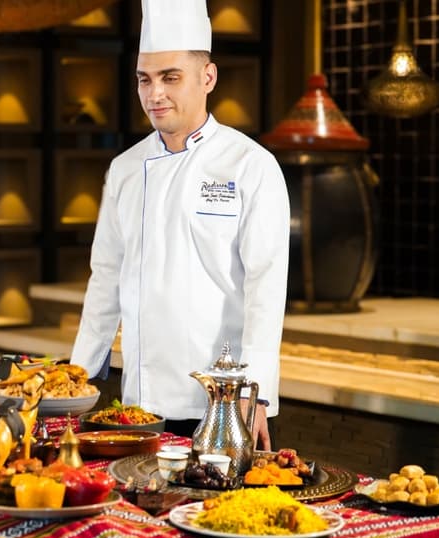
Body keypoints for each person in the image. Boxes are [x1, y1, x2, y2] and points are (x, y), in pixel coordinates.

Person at [70, 0, 289, 450]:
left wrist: (256, 393)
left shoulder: (250, 165)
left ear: (207, 78)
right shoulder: (126, 169)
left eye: (171, 78)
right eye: (144, 79)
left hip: (223, 409)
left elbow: (266, 288)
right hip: (139, 408)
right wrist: (76, 379)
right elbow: (106, 278)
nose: (155, 94)